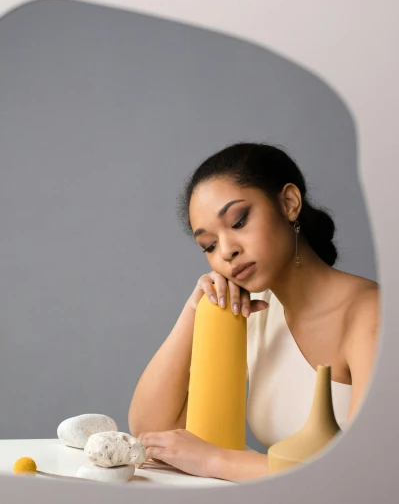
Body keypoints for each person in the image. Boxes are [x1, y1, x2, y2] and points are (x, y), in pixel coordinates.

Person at [127, 142, 380, 482]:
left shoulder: (373, 315)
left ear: (289, 203)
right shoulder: (256, 312)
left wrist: (216, 462)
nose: (227, 251)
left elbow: (371, 471)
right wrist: (195, 309)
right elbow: (153, 431)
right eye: (209, 246)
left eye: (239, 220)